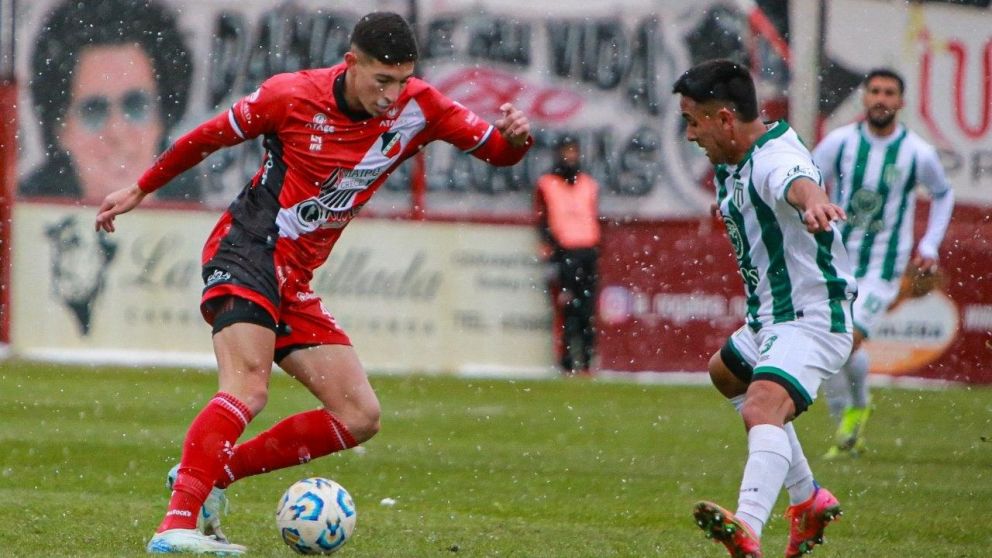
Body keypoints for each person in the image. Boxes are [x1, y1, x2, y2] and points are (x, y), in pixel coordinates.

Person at [94, 12, 533, 555]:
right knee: (248, 387)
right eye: (381, 80)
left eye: (402, 80)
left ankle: (213, 474)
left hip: (293, 280)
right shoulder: (291, 96)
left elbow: (497, 151)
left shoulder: (421, 108)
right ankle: (175, 526)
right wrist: (140, 189)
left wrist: (516, 141)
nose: (392, 94)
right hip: (248, 248)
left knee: (359, 415)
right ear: (351, 64)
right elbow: (206, 137)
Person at [672, 59, 856, 557]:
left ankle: (748, 527)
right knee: (726, 373)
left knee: (761, 407)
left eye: (693, 121)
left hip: (813, 317)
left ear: (726, 119)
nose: (689, 134)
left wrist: (813, 201)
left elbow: (797, 181)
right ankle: (809, 498)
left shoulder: (774, 158)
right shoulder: (734, 156)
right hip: (772, 317)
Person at [812, 68, 954, 459]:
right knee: (834, 344)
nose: (881, 99)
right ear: (864, 98)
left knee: (847, 339)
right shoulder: (838, 144)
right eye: (874, 91)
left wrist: (929, 243)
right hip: (836, 262)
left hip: (882, 270)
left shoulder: (916, 152)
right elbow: (805, 181)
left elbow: (943, 194)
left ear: (901, 102)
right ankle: (854, 413)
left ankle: (848, 419)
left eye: (889, 92)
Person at [20, 0, 199, 204]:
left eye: (136, 106)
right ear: (60, 129)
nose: (117, 131)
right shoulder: (17, 221)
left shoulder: (215, 217)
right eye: (93, 111)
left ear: (163, 118)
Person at [533, 136, 601, 376]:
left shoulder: (588, 183)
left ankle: (587, 362)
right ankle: (567, 362)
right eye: (566, 151)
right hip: (564, 252)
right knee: (567, 309)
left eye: (574, 151)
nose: (570, 156)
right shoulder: (547, 183)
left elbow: (593, 216)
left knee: (587, 310)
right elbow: (541, 218)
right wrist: (548, 247)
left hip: (588, 251)